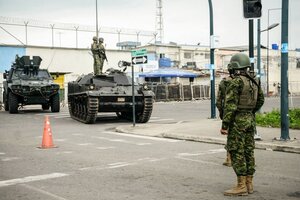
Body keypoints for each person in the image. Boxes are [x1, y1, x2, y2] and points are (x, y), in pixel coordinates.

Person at [220, 53, 264, 196]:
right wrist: (250, 112)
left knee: (236, 151)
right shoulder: (254, 81)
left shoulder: (236, 82)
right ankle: (249, 184)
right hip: (250, 120)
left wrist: (225, 125)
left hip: (237, 121)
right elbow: (261, 100)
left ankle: (240, 186)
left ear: (234, 67)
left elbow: (230, 106)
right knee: (248, 151)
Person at [216, 64, 234, 167]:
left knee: (231, 137)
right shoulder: (251, 80)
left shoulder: (225, 82)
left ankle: (229, 159)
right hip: (247, 115)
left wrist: (222, 114)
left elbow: (219, 101)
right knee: (247, 138)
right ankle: (249, 160)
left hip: (230, 114)